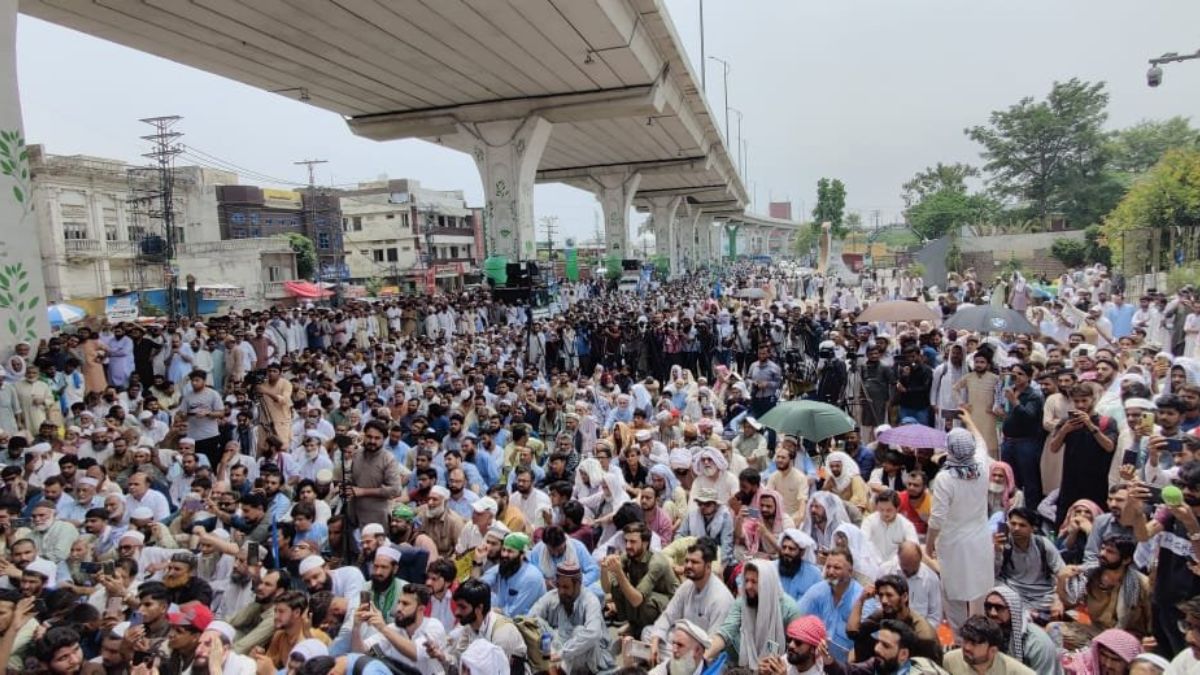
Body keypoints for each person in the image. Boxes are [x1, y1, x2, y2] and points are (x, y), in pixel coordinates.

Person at [926, 420, 994, 635]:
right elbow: (982, 442)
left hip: (953, 543)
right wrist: (969, 420)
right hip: (981, 540)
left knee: (953, 594)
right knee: (979, 591)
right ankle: (980, 635)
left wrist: (928, 547)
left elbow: (936, 520)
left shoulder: (945, 479)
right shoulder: (983, 466)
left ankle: (959, 638)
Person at [647, 537, 733, 662]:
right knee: (649, 633)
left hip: (703, 653)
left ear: (708, 567)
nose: (688, 566)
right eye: (687, 561)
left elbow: (713, 645)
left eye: (694, 562)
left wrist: (685, 651)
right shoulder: (688, 585)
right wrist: (655, 641)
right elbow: (668, 615)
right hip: (682, 644)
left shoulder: (721, 598)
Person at [706, 560, 802, 668]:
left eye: (754, 582)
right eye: (746, 581)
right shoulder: (742, 603)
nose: (748, 586)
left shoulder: (789, 610)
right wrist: (704, 657)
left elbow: (799, 648)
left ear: (766, 583)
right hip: (745, 666)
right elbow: (725, 633)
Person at [527, 561, 613, 674]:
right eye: (559, 586)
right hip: (560, 647)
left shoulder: (590, 600)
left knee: (580, 631)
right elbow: (530, 619)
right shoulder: (553, 596)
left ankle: (558, 671)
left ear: (578, 585)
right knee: (536, 623)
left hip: (591, 654)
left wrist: (562, 653)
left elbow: (593, 634)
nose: (561, 591)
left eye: (566, 587)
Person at [600, 522, 678, 639]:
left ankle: (641, 630)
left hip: (671, 605)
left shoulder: (657, 562)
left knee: (645, 600)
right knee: (618, 587)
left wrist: (619, 572)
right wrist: (604, 569)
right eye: (626, 541)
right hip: (646, 598)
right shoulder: (629, 556)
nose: (628, 546)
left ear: (645, 543)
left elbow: (637, 600)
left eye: (633, 542)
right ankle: (633, 624)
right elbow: (608, 589)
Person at [846, 573, 941, 665]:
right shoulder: (883, 614)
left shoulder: (923, 634)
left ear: (904, 597)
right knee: (862, 639)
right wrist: (861, 600)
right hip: (890, 666)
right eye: (881, 595)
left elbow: (929, 669)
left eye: (889, 595)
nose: (884, 601)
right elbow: (853, 632)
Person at [796, 549, 863, 664]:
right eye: (828, 567)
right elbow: (796, 619)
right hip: (816, 660)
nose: (830, 572)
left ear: (850, 571)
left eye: (837, 568)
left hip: (848, 666)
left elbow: (867, 643)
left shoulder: (862, 598)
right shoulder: (818, 590)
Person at [994, 506, 1065, 612]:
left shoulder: (1043, 544)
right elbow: (993, 574)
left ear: (1033, 528)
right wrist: (998, 552)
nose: (1016, 528)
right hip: (1013, 590)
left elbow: (1061, 571)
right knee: (995, 589)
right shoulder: (1003, 543)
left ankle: (1025, 611)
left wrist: (1057, 598)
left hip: (1041, 594)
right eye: (1013, 524)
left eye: (1022, 525)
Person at [982, 585, 1063, 675]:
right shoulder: (987, 636)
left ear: (1012, 610)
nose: (992, 613)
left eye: (999, 608)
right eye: (988, 606)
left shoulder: (1037, 643)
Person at [478, 532, 544, 617]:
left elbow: (514, 614)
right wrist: (477, 562)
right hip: (500, 616)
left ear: (522, 555)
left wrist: (489, 610)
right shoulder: (504, 567)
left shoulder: (531, 577)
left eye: (510, 551)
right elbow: (479, 585)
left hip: (525, 624)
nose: (505, 554)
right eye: (504, 550)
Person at [942, 616, 1035, 675]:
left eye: (974, 644)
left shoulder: (1015, 671)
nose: (967, 647)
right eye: (965, 641)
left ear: (992, 650)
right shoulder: (949, 661)